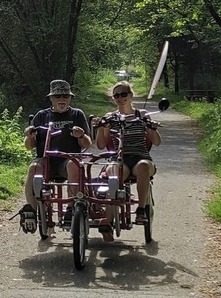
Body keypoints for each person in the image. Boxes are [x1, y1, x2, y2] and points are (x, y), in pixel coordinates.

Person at [17, 79, 92, 234]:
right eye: (58, 96)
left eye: (65, 96)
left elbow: (87, 144)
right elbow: (29, 146)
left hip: (67, 160)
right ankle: (31, 210)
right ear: (51, 98)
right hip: (46, 160)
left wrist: (81, 135)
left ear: (70, 98)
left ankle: (72, 209)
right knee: (33, 167)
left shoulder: (77, 114)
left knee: (74, 164)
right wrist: (29, 136)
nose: (62, 99)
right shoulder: (41, 116)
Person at [93, 81, 161, 241]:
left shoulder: (142, 115)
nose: (120, 98)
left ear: (131, 96)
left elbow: (157, 142)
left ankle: (141, 210)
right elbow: (101, 145)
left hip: (141, 158)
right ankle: (107, 223)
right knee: (115, 175)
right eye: (116, 95)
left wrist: (152, 128)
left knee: (143, 166)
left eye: (124, 94)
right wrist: (101, 128)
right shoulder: (110, 117)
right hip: (118, 159)